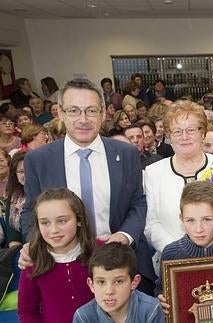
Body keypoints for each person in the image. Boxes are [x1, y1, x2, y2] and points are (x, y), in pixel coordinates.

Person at [19, 78, 154, 294]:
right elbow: (30, 210)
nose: (83, 119)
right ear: (60, 114)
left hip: (119, 259)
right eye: (74, 110)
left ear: (103, 114)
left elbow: (138, 202)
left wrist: (125, 235)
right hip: (63, 264)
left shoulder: (126, 153)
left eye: (91, 111)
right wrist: (32, 244)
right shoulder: (38, 159)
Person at [144, 100, 213, 275]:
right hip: (173, 263)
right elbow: (151, 224)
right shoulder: (153, 172)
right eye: (177, 131)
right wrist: (178, 252)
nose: (184, 137)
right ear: (169, 136)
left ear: (202, 133)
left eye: (191, 130)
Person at [18, 188, 97, 322]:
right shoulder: (32, 261)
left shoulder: (100, 250)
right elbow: (27, 312)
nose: (53, 230)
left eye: (62, 221)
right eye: (45, 223)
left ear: (79, 220)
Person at [73, 243, 164, 323]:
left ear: (134, 282)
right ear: (91, 285)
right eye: (101, 282)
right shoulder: (83, 317)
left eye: (118, 282)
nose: (109, 291)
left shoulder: (151, 311)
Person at [4, 152, 26, 246]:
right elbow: (13, 233)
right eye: (21, 172)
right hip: (22, 250)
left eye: (29, 170)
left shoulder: (45, 195)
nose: (26, 175)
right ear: (15, 175)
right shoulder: (13, 197)